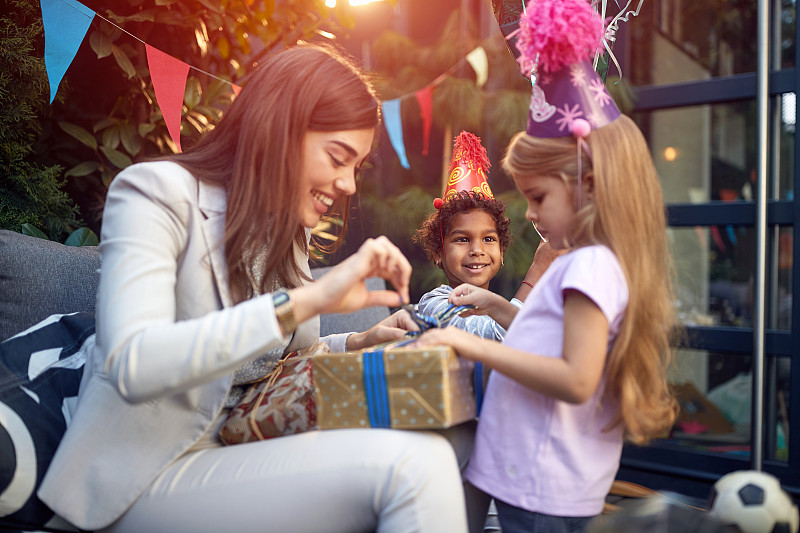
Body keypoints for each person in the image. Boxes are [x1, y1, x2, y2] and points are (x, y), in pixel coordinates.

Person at [38, 43, 468, 533]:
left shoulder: (288, 230)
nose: (349, 184)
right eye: (338, 157)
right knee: (414, 468)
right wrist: (307, 301)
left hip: (247, 446)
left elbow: (274, 363)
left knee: (455, 435)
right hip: (145, 472)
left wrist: (357, 342)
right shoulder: (155, 192)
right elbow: (133, 364)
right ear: (280, 131)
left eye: (357, 166)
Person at [415, 1, 679, 532]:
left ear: (587, 183)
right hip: (536, 483)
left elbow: (576, 377)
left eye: (538, 197)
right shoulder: (587, 262)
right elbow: (556, 338)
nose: (530, 213)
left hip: (540, 493)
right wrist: (495, 306)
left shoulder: (588, 267)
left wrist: (469, 343)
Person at [412, 131, 514, 341]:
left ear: (501, 252)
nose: (477, 250)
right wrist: (535, 274)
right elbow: (496, 335)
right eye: (462, 239)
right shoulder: (434, 304)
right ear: (439, 252)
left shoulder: (498, 306)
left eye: (488, 239)